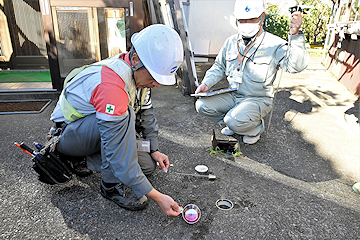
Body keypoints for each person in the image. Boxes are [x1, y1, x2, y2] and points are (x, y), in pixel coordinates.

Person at [47, 24, 184, 216]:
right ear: (136, 59)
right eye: (154, 76)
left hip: (94, 128)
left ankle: (86, 159)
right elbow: (116, 150)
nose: (157, 83)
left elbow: (146, 113)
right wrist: (157, 196)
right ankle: (109, 187)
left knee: (147, 165)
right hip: (68, 135)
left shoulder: (138, 73)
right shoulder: (112, 85)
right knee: (124, 119)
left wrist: (154, 149)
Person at [194, 0, 309, 144]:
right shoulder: (230, 42)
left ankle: (255, 128)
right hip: (233, 94)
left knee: (233, 119)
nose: (247, 23)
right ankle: (235, 123)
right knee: (202, 105)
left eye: (252, 19)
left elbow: (296, 66)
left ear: (262, 16)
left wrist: (296, 35)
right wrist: (206, 83)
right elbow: (219, 66)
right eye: (242, 20)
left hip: (258, 99)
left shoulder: (274, 44)